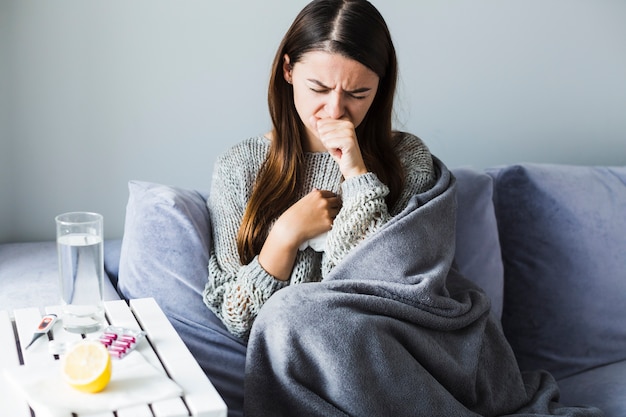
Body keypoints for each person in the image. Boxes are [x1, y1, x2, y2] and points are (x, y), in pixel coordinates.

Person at [203, 0, 435, 340]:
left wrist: (357, 174)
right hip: (293, 359)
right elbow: (236, 318)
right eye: (319, 89)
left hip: (383, 352)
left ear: (380, 87)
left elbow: (394, 290)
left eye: (358, 93)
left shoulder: (407, 157)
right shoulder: (239, 166)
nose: (336, 109)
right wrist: (284, 236)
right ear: (288, 70)